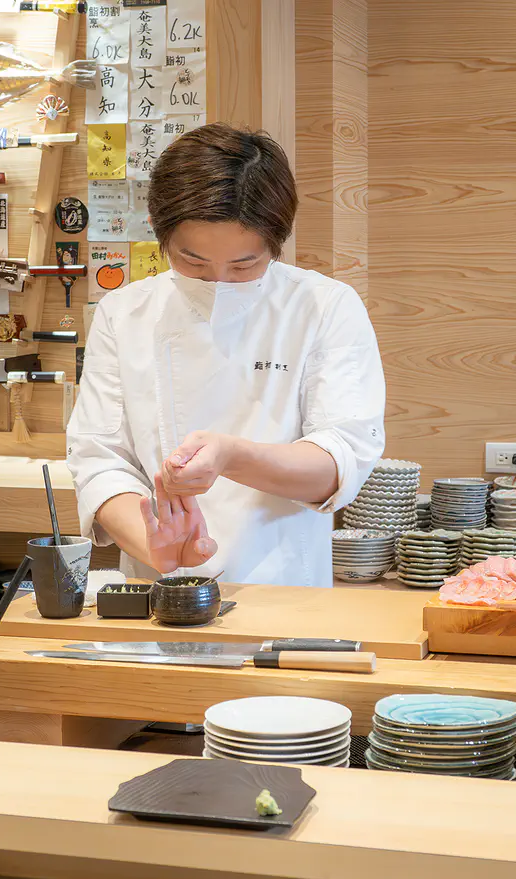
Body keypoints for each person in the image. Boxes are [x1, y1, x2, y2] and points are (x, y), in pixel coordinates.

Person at [67, 123, 385, 587]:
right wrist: (158, 545)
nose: (218, 281)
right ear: (159, 230)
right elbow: (100, 459)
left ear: (277, 242)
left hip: (285, 590)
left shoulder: (324, 306)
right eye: (192, 261)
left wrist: (230, 456)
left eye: (244, 264)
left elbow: (341, 462)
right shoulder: (124, 312)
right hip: (155, 591)